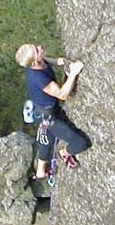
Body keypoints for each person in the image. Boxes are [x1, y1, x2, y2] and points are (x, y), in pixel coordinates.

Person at [15, 43, 89, 179]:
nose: (39, 47)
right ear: (34, 62)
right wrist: (73, 73)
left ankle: (40, 171)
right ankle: (65, 153)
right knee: (80, 143)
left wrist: (66, 63)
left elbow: (55, 61)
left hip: (43, 112)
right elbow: (62, 94)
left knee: (46, 138)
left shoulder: (39, 62)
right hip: (48, 116)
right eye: (37, 50)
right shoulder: (38, 79)